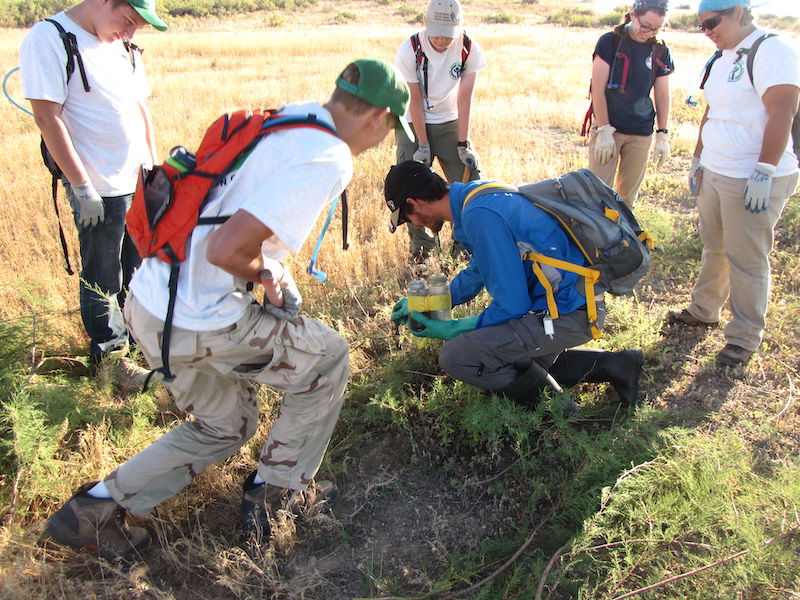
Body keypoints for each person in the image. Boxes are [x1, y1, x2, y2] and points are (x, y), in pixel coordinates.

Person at [43, 59, 412, 561]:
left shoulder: (284, 119)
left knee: (227, 425)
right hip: (204, 319)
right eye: (392, 129)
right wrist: (264, 270)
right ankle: (278, 496)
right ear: (378, 119)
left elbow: (222, 227)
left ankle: (92, 510)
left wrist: (267, 273)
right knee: (325, 359)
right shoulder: (329, 156)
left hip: (150, 306)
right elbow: (224, 248)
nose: (384, 140)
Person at [385, 161, 644, 410]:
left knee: (457, 356)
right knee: (509, 354)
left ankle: (561, 416)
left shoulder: (478, 215)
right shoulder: (476, 195)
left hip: (570, 313)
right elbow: (477, 272)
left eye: (409, 220)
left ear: (413, 203)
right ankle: (618, 364)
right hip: (571, 303)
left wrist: (451, 329)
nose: (416, 225)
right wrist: (429, 301)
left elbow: (512, 305)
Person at [19, 0, 167, 382]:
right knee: (103, 276)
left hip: (137, 181)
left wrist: (153, 171)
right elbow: (47, 117)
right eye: (128, 20)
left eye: (137, 26)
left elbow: (141, 110)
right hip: (100, 187)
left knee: (138, 272)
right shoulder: (50, 38)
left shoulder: (123, 45)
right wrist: (82, 187)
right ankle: (111, 362)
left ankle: (140, 348)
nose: (130, 32)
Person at [667, 0, 800, 367]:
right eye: (701, 26)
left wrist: (764, 170)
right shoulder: (722, 56)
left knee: (747, 258)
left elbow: (782, 111)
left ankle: (743, 337)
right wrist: (698, 159)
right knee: (715, 247)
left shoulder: (771, 50)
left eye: (713, 21)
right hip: (716, 170)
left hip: (752, 177)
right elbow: (713, 111)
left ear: (739, 11)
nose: (707, 30)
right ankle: (704, 310)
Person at [395, 0, 487, 259]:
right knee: (410, 185)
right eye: (435, 32)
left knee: (469, 181)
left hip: (450, 120)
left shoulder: (468, 48)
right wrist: (422, 145)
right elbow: (413, 99)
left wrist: (463, 143)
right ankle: (423, 251)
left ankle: (463, 249)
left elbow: (465, 98)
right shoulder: (409, 49)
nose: (441, 40)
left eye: (448, 35)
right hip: (413, 122)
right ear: (426, 24)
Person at [586, 0, 674, 208]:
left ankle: (622, 238)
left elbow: (662, 95)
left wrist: (662, 133)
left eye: (657, 28)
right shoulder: (610, 42)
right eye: (645, 26)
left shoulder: (660, 50)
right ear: (633, 15)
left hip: (640, 132)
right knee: (598, 196)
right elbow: (597, 90)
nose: (650, 32)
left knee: (627, 200)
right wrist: (605, 130)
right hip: (610, 128)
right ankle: (595, 239)